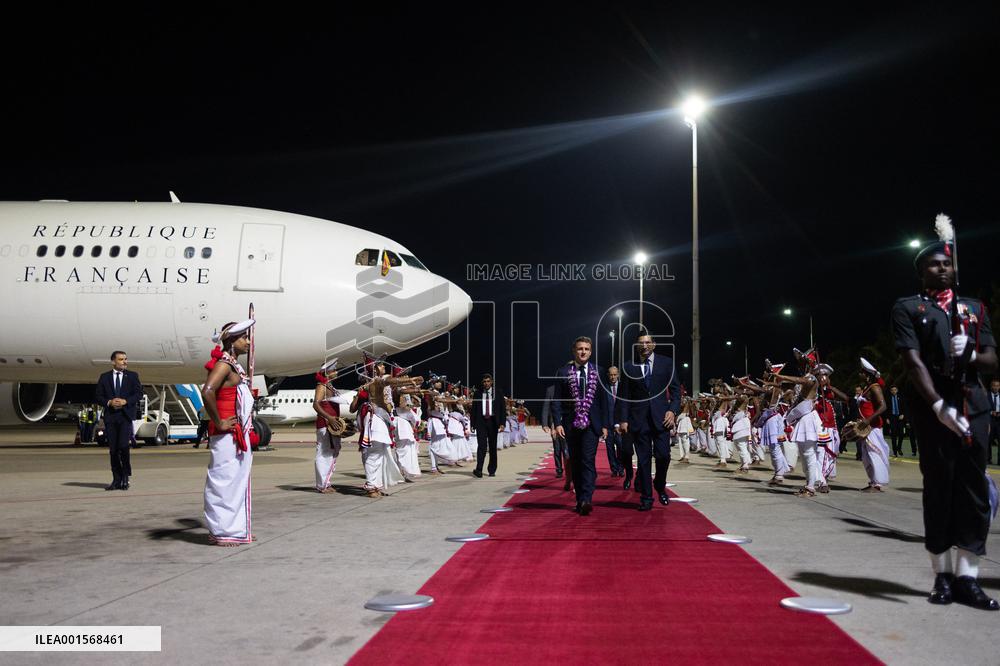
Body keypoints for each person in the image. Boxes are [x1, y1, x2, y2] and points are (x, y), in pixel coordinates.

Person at [892, 219, 998, 610]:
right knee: (939, 490)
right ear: (921, 272)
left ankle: (968, 577)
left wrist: (970, 351)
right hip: (933, 409)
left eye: (947, 264)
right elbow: (912, 362)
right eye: (934, 264)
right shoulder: (908, 308)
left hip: (975, 407)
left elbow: (992, 360)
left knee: (973, 494)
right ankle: (942, 574)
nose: (942, 269)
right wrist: (938, 405)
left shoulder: (973, 308)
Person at [201, 320, 256, 546]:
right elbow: (208, 391)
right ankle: (223, 530)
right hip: (226, 434)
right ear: (232, 341)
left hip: (238, 433)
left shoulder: (234, 366)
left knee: (236, 481)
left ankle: (235, 529)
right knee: (224, 480)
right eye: (244, 337)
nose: (248, 341)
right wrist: (220, 421)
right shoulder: (224, 364)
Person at [615, 333, 681, 511]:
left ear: (654, 344)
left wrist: (672, 411)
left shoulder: (666, 363)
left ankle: (659, 485)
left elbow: (676, 392)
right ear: (636, 346)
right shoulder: (629, 366)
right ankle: (646, 497)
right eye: (641, 343)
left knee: (663, 456)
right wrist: (622, 420)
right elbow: (624, 396)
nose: (644, 346)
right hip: (638, 420)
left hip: (661, 419)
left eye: (647, 342)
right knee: (643, 460)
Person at [552, 336, 609, 515]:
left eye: (586, 349)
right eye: (579, 349)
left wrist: (605, 424)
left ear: (590, 352)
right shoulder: (563, 372)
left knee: (588, 460)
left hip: (592, 425)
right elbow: (557, 400)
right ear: (574, 351)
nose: (583, 352)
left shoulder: (599, 371)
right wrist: (557, 423)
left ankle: (586, 498)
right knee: (575, 461)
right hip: (570, 424)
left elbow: (603, 401)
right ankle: (579, 499)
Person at [96, 351, 143, 491]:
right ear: (113, 362)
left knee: (123, 446)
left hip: (125, 416)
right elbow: (98, 396)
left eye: (125, 359)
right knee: (113, 450)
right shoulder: (104, 377)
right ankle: (116, 478)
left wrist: (125, 401)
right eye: (121, 359)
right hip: (111, 417)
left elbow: (138, 394)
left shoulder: (132, 376)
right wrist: (109, 402)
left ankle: (125, 477)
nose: (124, 362)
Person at [313, 358, 351, 493]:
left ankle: (326, 483)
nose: (336, 372)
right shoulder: (321, 386)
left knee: (332, 451)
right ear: (327, 372)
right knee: (324, 453)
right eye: (334, 370)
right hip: (325, 424)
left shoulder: (329, 386)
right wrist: (329, 418)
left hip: (332, 424)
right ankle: (322, 485)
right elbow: (316, 404)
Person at [857, 358, 890, 492]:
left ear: (867, 374)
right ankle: (872, 481)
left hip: (873, 427)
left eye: (862, 372)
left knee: (874, 453)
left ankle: (878, 483)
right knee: (866, 456)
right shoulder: (867, 388)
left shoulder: (875, 388)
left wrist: (868, 420)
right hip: (866, 428)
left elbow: (883, 406)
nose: (860, 374)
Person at [471, 373, 506, 478]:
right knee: (481, 446)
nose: (486, 383)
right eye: (484, 382)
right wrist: (473, 424)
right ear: (483, 383)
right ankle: (479, 470)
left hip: (493, 422)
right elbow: (474, 409)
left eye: (488, 381)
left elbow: (502, 409)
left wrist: (502, 423)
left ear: (492, 382)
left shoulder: (498, 393)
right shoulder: (477, 393)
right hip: (481, 422)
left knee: (492, 447)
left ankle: (492, 470)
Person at [541, 383, 571, 486]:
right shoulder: (550, 390)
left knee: (566, 450)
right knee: (557, 449)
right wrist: (545, 424)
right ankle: (559, 470)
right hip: (554, 424)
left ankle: (569, 473)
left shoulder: (570, 388)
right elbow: (546, 407)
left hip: (568, 423)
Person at [602, 366, 627, 476]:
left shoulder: (623, 387)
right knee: (609, 448)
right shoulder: (604, 388)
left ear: (618, 375)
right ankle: (614, 469)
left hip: (620, 423)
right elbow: (602, 407)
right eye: (611, 375)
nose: (613, 377)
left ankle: (621, 467)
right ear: (608, 375)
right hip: (608, 424)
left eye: (614, 374)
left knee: (621, 446)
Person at [886, 385, 907, 457]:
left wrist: (903, 414)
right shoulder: (888, 398)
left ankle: (899, 448)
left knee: (901, 434)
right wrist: (887, 418)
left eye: (895, 390)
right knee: (893, 435)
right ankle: (895, 451)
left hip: (900, 417)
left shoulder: (901, 397)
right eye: (892, 390)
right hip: (892, 418)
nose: (893, 391)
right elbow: (886, 409)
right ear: (890, 391)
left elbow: (905, 406)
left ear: (897, 390)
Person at [988, 379, 1000, 465]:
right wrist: (991, 412)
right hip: (990, 421)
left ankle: (999, 460)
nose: (995, 387)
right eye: (994, 386)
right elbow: (984, 409)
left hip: (999, 422)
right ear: (991, 386)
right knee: (989, 441)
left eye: (997, 386)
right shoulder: (987, 396)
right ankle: (988, 459)